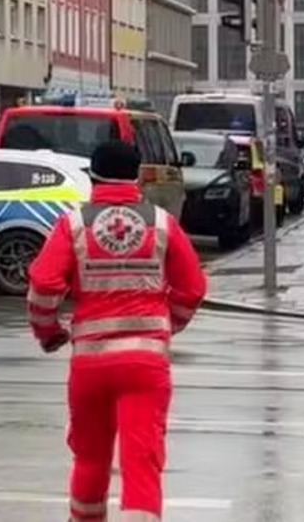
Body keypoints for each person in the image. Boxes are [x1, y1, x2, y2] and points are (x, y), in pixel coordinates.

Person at [25, 139, 208, 522]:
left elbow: (43, 285)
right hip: (145, 365)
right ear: (137, 178)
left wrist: (48, 332)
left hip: (90, 365)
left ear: (93, 178)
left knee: (90, 459)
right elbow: (192, 288)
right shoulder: (162, 223)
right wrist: (167, 326)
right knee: (141, 462)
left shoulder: (73, 224)